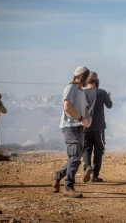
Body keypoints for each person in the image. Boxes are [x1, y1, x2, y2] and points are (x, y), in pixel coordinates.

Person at [52, 66, 92, 198]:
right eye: (87, 78)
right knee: (75, 158)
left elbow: (85, 109)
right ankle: (68, 187)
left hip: (79, 127)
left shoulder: (81, 91)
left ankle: (58, 176)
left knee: (74, 158)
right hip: (69, 127)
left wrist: (87, 119)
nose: (88, 80)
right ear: (81, 77)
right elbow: (67, 108)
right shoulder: (70, 88)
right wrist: (81, 118)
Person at [82, 72, 113, 182]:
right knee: (98, 151)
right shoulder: (101, 92)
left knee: (86, 149)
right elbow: (109, 105)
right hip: (98, 128)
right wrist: (107, 97)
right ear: (96, 82)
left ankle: (87, 167)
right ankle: (94, 176)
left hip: (84, 127)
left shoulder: (82, 93)